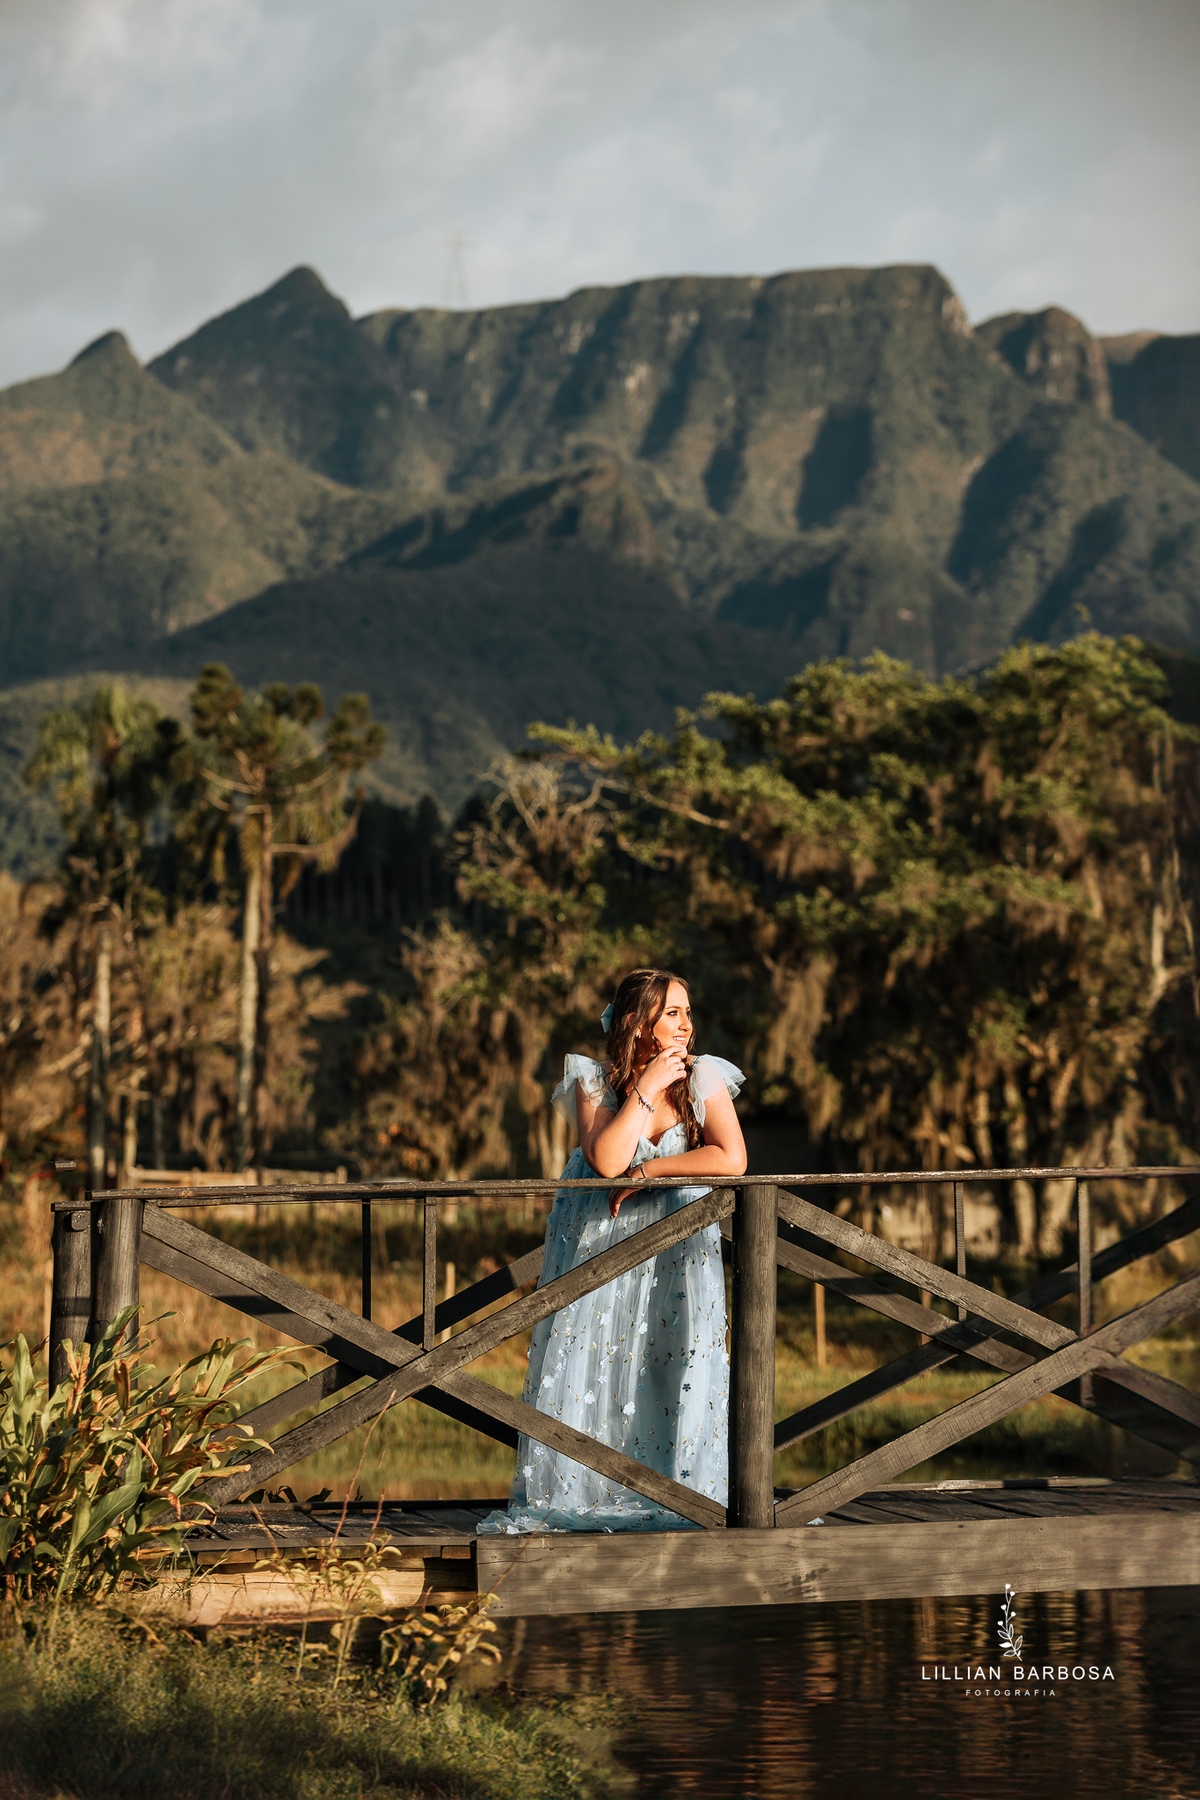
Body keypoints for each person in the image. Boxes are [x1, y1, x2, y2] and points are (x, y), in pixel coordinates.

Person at [479, 967, 746, 1534]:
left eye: (688, 1012)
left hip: (678, 1248)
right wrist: (646, 1089)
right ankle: (590, 1491)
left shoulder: (704, 1080)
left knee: (676, 1359)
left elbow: (731, 1159)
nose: (686, 1025)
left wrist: (652, 1171)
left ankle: (683, 1497)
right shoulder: (593, 1083)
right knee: (598, 1358)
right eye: (672, 1012)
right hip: (602, 1252)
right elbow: (606, 1159)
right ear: (635, 1020)